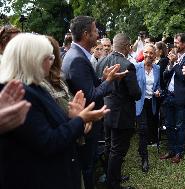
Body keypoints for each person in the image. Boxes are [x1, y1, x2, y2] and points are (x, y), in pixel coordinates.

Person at [0, 33, 110, 189]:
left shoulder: (35, 87)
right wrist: (80, 120)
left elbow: (50, 127)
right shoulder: (20, 93)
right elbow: (48, 141)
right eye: (49, 58)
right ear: (33, 60)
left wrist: (73, 118)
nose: (52, 62)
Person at [62, 16, 121, 189]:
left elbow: (88, 85)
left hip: (85, 121)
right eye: (95, 31)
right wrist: (109, 81)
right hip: (86, 124)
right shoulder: (78, 59)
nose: (98, 34)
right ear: (86, 34)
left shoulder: (76, 54)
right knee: (87, 166)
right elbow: (92, 95)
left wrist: (103, 78)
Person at [96, 33, 141, 189]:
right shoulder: (127, 65)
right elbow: (136, 93)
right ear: (127, 46)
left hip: (106, 110)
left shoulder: (101, 61)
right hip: (122, 114)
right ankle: (113, 184)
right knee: (117, 150)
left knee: (109, 146)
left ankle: (111, 177)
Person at [160, 33, 185, 164]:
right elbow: (166, 75)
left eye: (177, 43)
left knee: (180, 126)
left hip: (182, 97)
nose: (174, 45)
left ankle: (179, 152)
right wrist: (170, 65)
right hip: (169, 95)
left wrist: (175, 63)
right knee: (169, 125)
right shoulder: (174, 56)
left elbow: (184, 77)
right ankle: (171, 150)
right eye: (174, 42)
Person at [135, 44, 160, 173]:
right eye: (146, 52)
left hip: (152, 103)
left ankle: (141, 148)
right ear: (142, 53)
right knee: (143, 129)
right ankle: (145, 159)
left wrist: (158, 91)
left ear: (155, 55)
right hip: (140, 103)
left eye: (151, 53)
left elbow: (158, 86)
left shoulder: (158, 68)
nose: (148, 55)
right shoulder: (136, 67)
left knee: (148, 129)